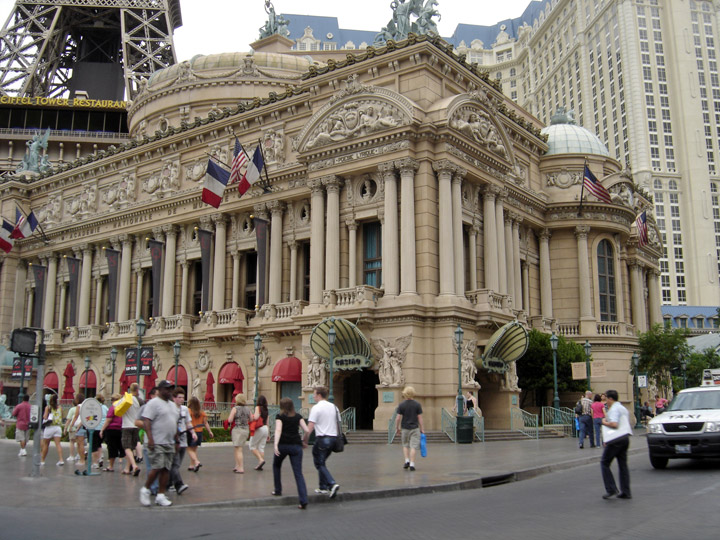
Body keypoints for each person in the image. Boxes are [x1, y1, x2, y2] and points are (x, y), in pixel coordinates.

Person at [139, 380, 179, 507]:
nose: (169, 391)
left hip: (169, 441)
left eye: (171, 389)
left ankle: (161, 495)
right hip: (157, 441)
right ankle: (145, 489)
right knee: (156, 467)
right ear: (160, 389)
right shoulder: (153, 403)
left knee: (166, 469)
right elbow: (146, 421)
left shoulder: (172, 405)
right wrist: (150, 438)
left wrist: (176, 439)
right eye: (167, 389)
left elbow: (174, 422)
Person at [272, 397, 311, 509]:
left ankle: (278, 489)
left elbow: (278, 430)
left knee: (276, 465)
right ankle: (303, 499)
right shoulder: (298, 416)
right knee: (298, 473)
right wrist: (304, 441)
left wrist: (275, 445)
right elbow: (307, 430)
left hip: (283, 445)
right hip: (296, 446)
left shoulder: (280, 417)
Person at [303, 386, 340, 498]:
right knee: (322, 461)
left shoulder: (316, 408)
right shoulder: (334, 407)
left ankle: (331, 483)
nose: (313, 396)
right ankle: (323, 487)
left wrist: (305, 439)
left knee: (318, 463)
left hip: (322, 438)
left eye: (314, 394)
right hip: (333, 438)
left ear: (319, 395)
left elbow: (310, 426)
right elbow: (338, 422)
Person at [599, 389, 632, 500]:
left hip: (615, 440)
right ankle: (626, 491)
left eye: (606, 398)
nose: (605, 401)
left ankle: (611, 488)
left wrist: (604, 422)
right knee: (623, 465)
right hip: (625, 438)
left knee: (604, 463)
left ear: (610, 399)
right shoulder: (623, 408)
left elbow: (614, 424)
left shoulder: (613, 409)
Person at [168, 388, 196, 495]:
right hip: (173, 440)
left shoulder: (184, 409)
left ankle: (169, 483)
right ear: (174, 398)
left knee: (177, 464)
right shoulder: (170, 408)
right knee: (175, 463)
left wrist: (193, 433)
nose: (181, 399)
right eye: (179, 397)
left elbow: (188, 422)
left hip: (183, 440)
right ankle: (177, 484)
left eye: (183, 397)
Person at [395, 386, 425, 471]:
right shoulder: (417, 404)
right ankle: (412, 464)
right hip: (415, 428)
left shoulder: (401, 405)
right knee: (413, 446)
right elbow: (420, 418)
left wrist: (397, 428)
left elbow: (398, 418)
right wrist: (422, 429)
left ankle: (406, 460)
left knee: (405, 445)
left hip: (404, 428)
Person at [186, 396, 213, 472]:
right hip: (199, 432)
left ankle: (196, 462)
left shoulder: (189, 411)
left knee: (188, 448)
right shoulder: (202, 412)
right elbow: (205, 423)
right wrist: (210, 431)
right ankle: (191, 465)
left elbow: (187, 421)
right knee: (194, 449)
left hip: (191, 431)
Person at [99, 393, 124, 472]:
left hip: (111, 430)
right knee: (122, 448)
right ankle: (130, 464)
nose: (112, 401)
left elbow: (108, 420)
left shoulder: (112, 408)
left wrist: (102, 429)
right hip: (120, 429)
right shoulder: (123, 408)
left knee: (112, 448)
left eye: (112, 399)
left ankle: (110, 466)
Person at [227, 393, 251, 473]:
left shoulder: (235, 408)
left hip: (238, 429)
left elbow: (230, 420)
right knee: (237, 448)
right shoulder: (248, 409)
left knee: (239, 449)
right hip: (246, 429)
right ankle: (237, 465)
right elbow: (251, 419)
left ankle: (241, 467)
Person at [121, 383, 142, 476]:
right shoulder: (140, 400)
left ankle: (134, 466)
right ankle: (127, 468)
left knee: (127, 447)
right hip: (136, 426)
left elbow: (116, 408)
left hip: (126, 426)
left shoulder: (125, 399)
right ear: (138, 390)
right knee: (132, 447)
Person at [41, 393, 64, 466]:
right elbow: (62, 416)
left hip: (50, 427)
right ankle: (61, 459)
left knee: (46, 444)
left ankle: (42, 460)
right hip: (58, 427)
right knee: (58, 444)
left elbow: (45, 417)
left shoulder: (48, 407)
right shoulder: (60, 407)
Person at [250, 395, 269, 471]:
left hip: (259, 428)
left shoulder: (258, 408)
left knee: (252, 446)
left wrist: (252, 415)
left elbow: (256, 417)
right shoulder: (266, 410)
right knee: (261, 447)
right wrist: (268, 434)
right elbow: (267, 422)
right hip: (265, 428)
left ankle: (261, 460)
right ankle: (260, 463)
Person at [68, 393, 87, 465]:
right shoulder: (85, 406)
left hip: (80, 426)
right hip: (85, 425)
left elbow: (75, 417)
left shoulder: (79, 406)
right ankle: (82, 459)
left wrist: (71, 425)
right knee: (81, 443)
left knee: (80, 444)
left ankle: (82, 460)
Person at [63, 394, 82, 461]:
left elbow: (69, 419)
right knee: (79, 442)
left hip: (73, 427)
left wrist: (65, 428)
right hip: (80, 427)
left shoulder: (72, 409)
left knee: (71, 442)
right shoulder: (82, 407)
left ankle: (71, 455)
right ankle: (79, 455)